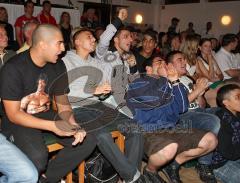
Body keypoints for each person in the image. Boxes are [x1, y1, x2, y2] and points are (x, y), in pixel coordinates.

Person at [0, 24, 96, 183]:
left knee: (88, 140)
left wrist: (73, 124)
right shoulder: (13, 68)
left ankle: (46, 179)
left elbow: (63, 103)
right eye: (59, 43)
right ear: (42, 44)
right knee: (38, 159)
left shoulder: (58, 65)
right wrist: (53, 127)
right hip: (19, 121)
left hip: (45, 114)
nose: (63, 48)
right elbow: (13, 114)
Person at [63, 9, 147, 183]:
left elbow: (129, 83)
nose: (93, 39)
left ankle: (128, 177)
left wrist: (130, 69)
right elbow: (65, 90)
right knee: (102, 135)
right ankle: (133, 177)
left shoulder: (98, 62)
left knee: (135, 128)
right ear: (77, 41)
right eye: (89, 37)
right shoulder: (66, 60)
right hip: (79, 108)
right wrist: (118, 20)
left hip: (101, 105)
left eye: (94, 37)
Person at [126, 54, 217, 183]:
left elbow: (182, 108)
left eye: (165, 63)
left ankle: (174, 163)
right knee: (169, 148)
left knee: (210, 140)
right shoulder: (139, 82)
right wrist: (166, 80)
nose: (164, 65)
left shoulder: (169, 84)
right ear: (149, 69)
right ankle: (150, 170)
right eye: (159, 62)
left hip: (173, 129)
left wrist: (175, 81)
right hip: (148, 131)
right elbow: (153, 100)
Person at [167, 51, 220, 183]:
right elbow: (180, 107)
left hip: (197, 112)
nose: (184, 62)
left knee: (223, 113)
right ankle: (204, 164)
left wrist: (200, 93)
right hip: (182, 117)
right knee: (213, 121)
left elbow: (201, 107)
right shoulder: (168, 81)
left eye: (184, 59)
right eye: (180, 60)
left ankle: (219, 157)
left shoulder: (187, 79)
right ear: (170, 65)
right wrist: (197, 91)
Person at [212, 84, 240, 183]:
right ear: (226, 103)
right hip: (222, 163)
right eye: (238, 97)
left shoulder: (237, 113)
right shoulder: (222, 120)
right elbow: (228, 153)